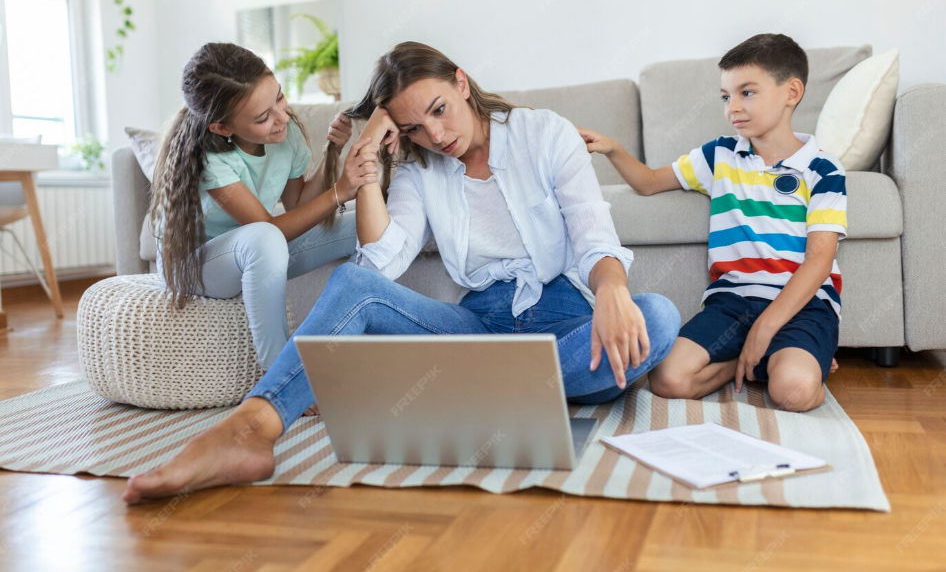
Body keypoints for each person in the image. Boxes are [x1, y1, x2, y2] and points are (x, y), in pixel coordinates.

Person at [123, 41, 680, 504]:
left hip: (563, 319)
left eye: (438, 109)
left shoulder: (544, 133)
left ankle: (488, 392)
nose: (435, 136)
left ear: (462, 82)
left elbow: (592, 232)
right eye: (413, 127)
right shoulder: (419, 166)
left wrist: (611, 290)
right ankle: (253, 428)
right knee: (353, 285)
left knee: (656, 316)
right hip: (479, 329)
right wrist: (367, 162)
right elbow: (380, 266)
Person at [579, 33, 846, 412]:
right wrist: (613, 149)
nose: (732, 107)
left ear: (791, 92)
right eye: (726, 96)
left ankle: (803, 362)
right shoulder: (720, 154)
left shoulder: (824, 168)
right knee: (668, 378)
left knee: (795, 392)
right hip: (733, 303)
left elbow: (819, 261)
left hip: (801, 307)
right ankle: (752, 363)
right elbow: (650, 181)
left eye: (747, 92)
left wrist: (766, 327)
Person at [150, 42, 378, 368]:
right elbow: (268, 229)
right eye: (262, 117)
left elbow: (298, 202)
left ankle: (381, 348)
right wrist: (339, 192)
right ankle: (278, 373)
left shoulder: (285, 132)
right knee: (265, 237)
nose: (282, 117)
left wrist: (333, 151)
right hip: (196, 265)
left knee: (363, 221)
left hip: (258, 251)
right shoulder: (212, 158)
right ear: (222, 128)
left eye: (280, 97)